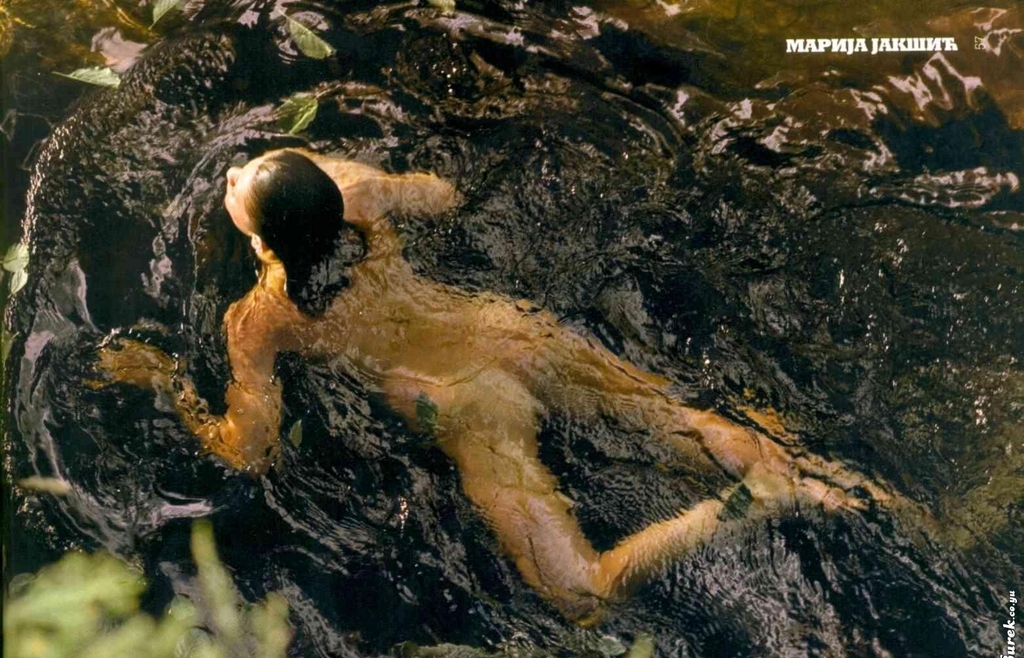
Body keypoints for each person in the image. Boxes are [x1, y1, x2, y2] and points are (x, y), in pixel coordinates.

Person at [96, 147, 895, 624]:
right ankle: (858, 495)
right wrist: (364, 182)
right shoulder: (359, 198)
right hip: (509, 331)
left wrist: (168, 381)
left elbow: (250, 450)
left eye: (238, 190)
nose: (231, 173)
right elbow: (443, 195)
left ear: (264, 239)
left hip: (464, 401)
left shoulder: (258, 320)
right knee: (674, 419)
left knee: (579, 594)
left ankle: (746, 503)